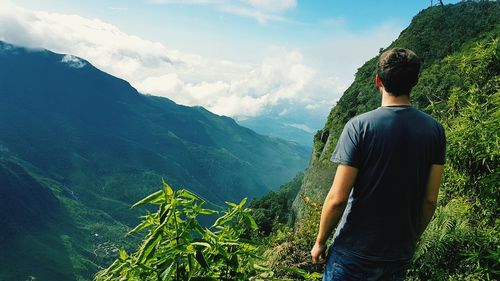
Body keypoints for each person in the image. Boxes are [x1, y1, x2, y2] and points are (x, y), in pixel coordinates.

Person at [310, 48, 446, 281]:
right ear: (415, 81)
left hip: (353, 253)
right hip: (398, 254)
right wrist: (411, 240)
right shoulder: (434, 131)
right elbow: (430, 199)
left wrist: (320, 241)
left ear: (377, 81)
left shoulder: (359, 127)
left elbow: (338, 198)